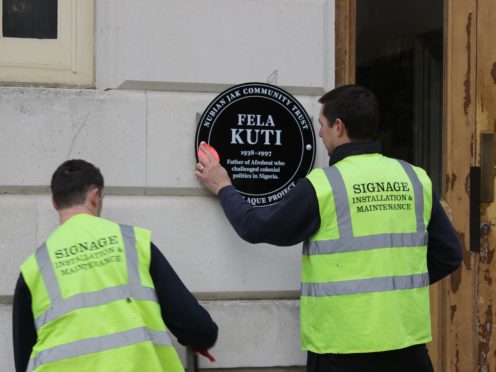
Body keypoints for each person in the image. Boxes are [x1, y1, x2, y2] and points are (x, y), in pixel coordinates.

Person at [195, 84, 462, 372]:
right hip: (407, 348)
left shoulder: (323, 186)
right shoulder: (415, 178)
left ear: (339, 126)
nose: (320, 133)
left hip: (342, 351)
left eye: (322, 124)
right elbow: (448, 255)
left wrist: (223, 187)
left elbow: (255, 227)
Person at [13, 159, 218, 372]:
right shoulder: (132, 243)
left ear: (55, 202)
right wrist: (199, 340)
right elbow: (197, 328)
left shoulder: (35, 267)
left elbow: (24, 359)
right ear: (95, 196)